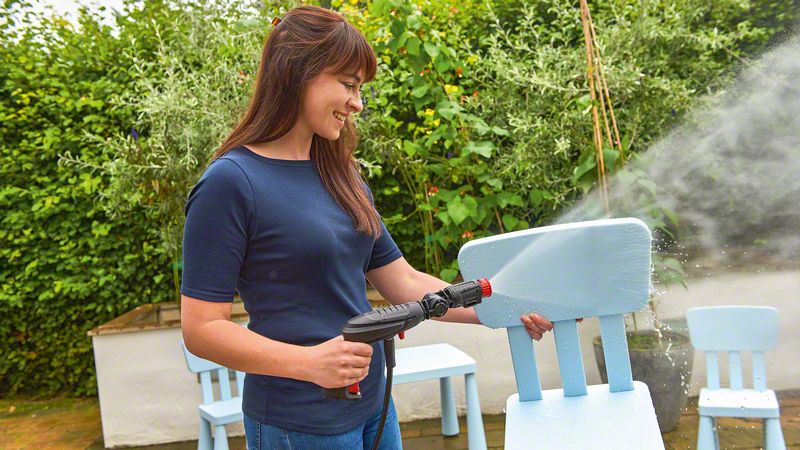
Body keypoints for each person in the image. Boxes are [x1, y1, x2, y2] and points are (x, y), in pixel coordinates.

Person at [180, 5, 553, 450]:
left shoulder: (342, 176)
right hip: (299, 423)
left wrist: (504, 309)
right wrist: (309, 363)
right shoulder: (230, 183)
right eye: (349, 84)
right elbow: (202, 329)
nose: (357, 102)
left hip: (374, 405)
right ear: (299, 72)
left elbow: (404, 282)